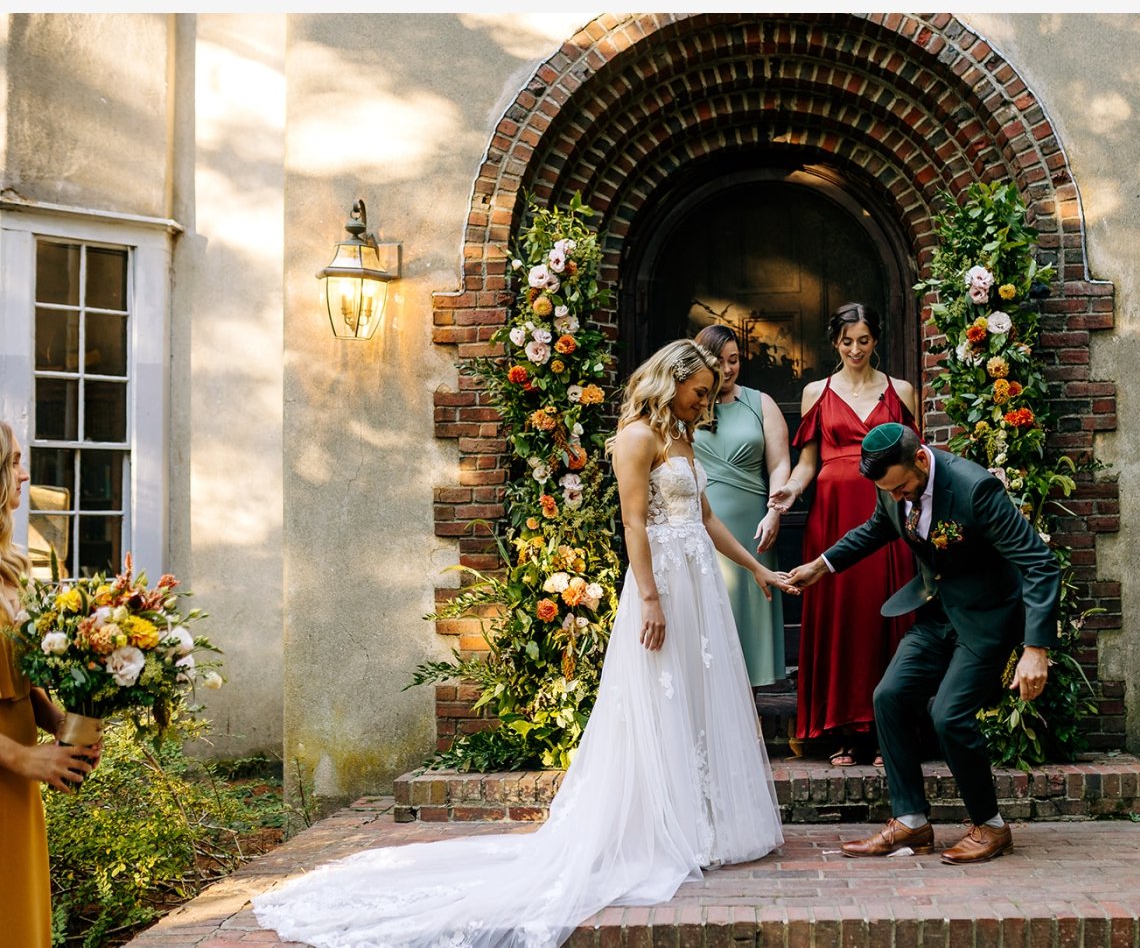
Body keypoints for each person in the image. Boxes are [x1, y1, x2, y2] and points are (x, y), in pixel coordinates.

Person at [254, 341, 792, 948]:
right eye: (698, 392)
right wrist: (649, 598)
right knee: (660, 699)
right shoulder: (638, 438)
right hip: (664, 583)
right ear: (672, 384)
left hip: (701, 589)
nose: (705, 402)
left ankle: (705, 824)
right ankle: (662, 829)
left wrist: (755, 569)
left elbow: (708, 518)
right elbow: (635, 524)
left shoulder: (685, 437)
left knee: (697, 697)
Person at [790, 422, 1059, 864]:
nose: (897, 498)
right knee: (890, 696)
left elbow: (1040, 564)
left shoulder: (976, 491)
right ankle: (912, 823)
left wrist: (1036, 648)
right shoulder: (891, 484)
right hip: (937, 612)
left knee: (948, 714)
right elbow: (877, 529)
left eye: (901, 489)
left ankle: (991, 827)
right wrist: (821, 566)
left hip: (987, 617)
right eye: (889, 492)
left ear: (920, 459)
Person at [769, 304, 917, 765]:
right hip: (832, 517)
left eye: (864, 340)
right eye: (847, 341)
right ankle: (842, 731)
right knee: (842, 617)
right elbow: (809, 462)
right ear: (835, 343)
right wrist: (791, 490)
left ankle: (886, 730)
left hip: (886, 517)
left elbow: (916, 456)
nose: (856, 349)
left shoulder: (902, 390)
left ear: (876, 341)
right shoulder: (818, 392)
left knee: (883, 616)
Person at [0, 424, 102, 948]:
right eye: (13, 461)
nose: (24, 472)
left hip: (15, 788)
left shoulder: (9, 570)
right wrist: (23, 758)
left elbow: (15, 682)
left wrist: (61, 721)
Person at [691, 324, 790, 688]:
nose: (728, 369)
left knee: (750, 604)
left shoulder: (760, 403)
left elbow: (779, 464)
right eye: (720, 360)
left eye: (734, 360)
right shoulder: (687, 404)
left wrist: (775, 511)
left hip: (753, 525)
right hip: (701, 524)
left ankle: (757, 704)